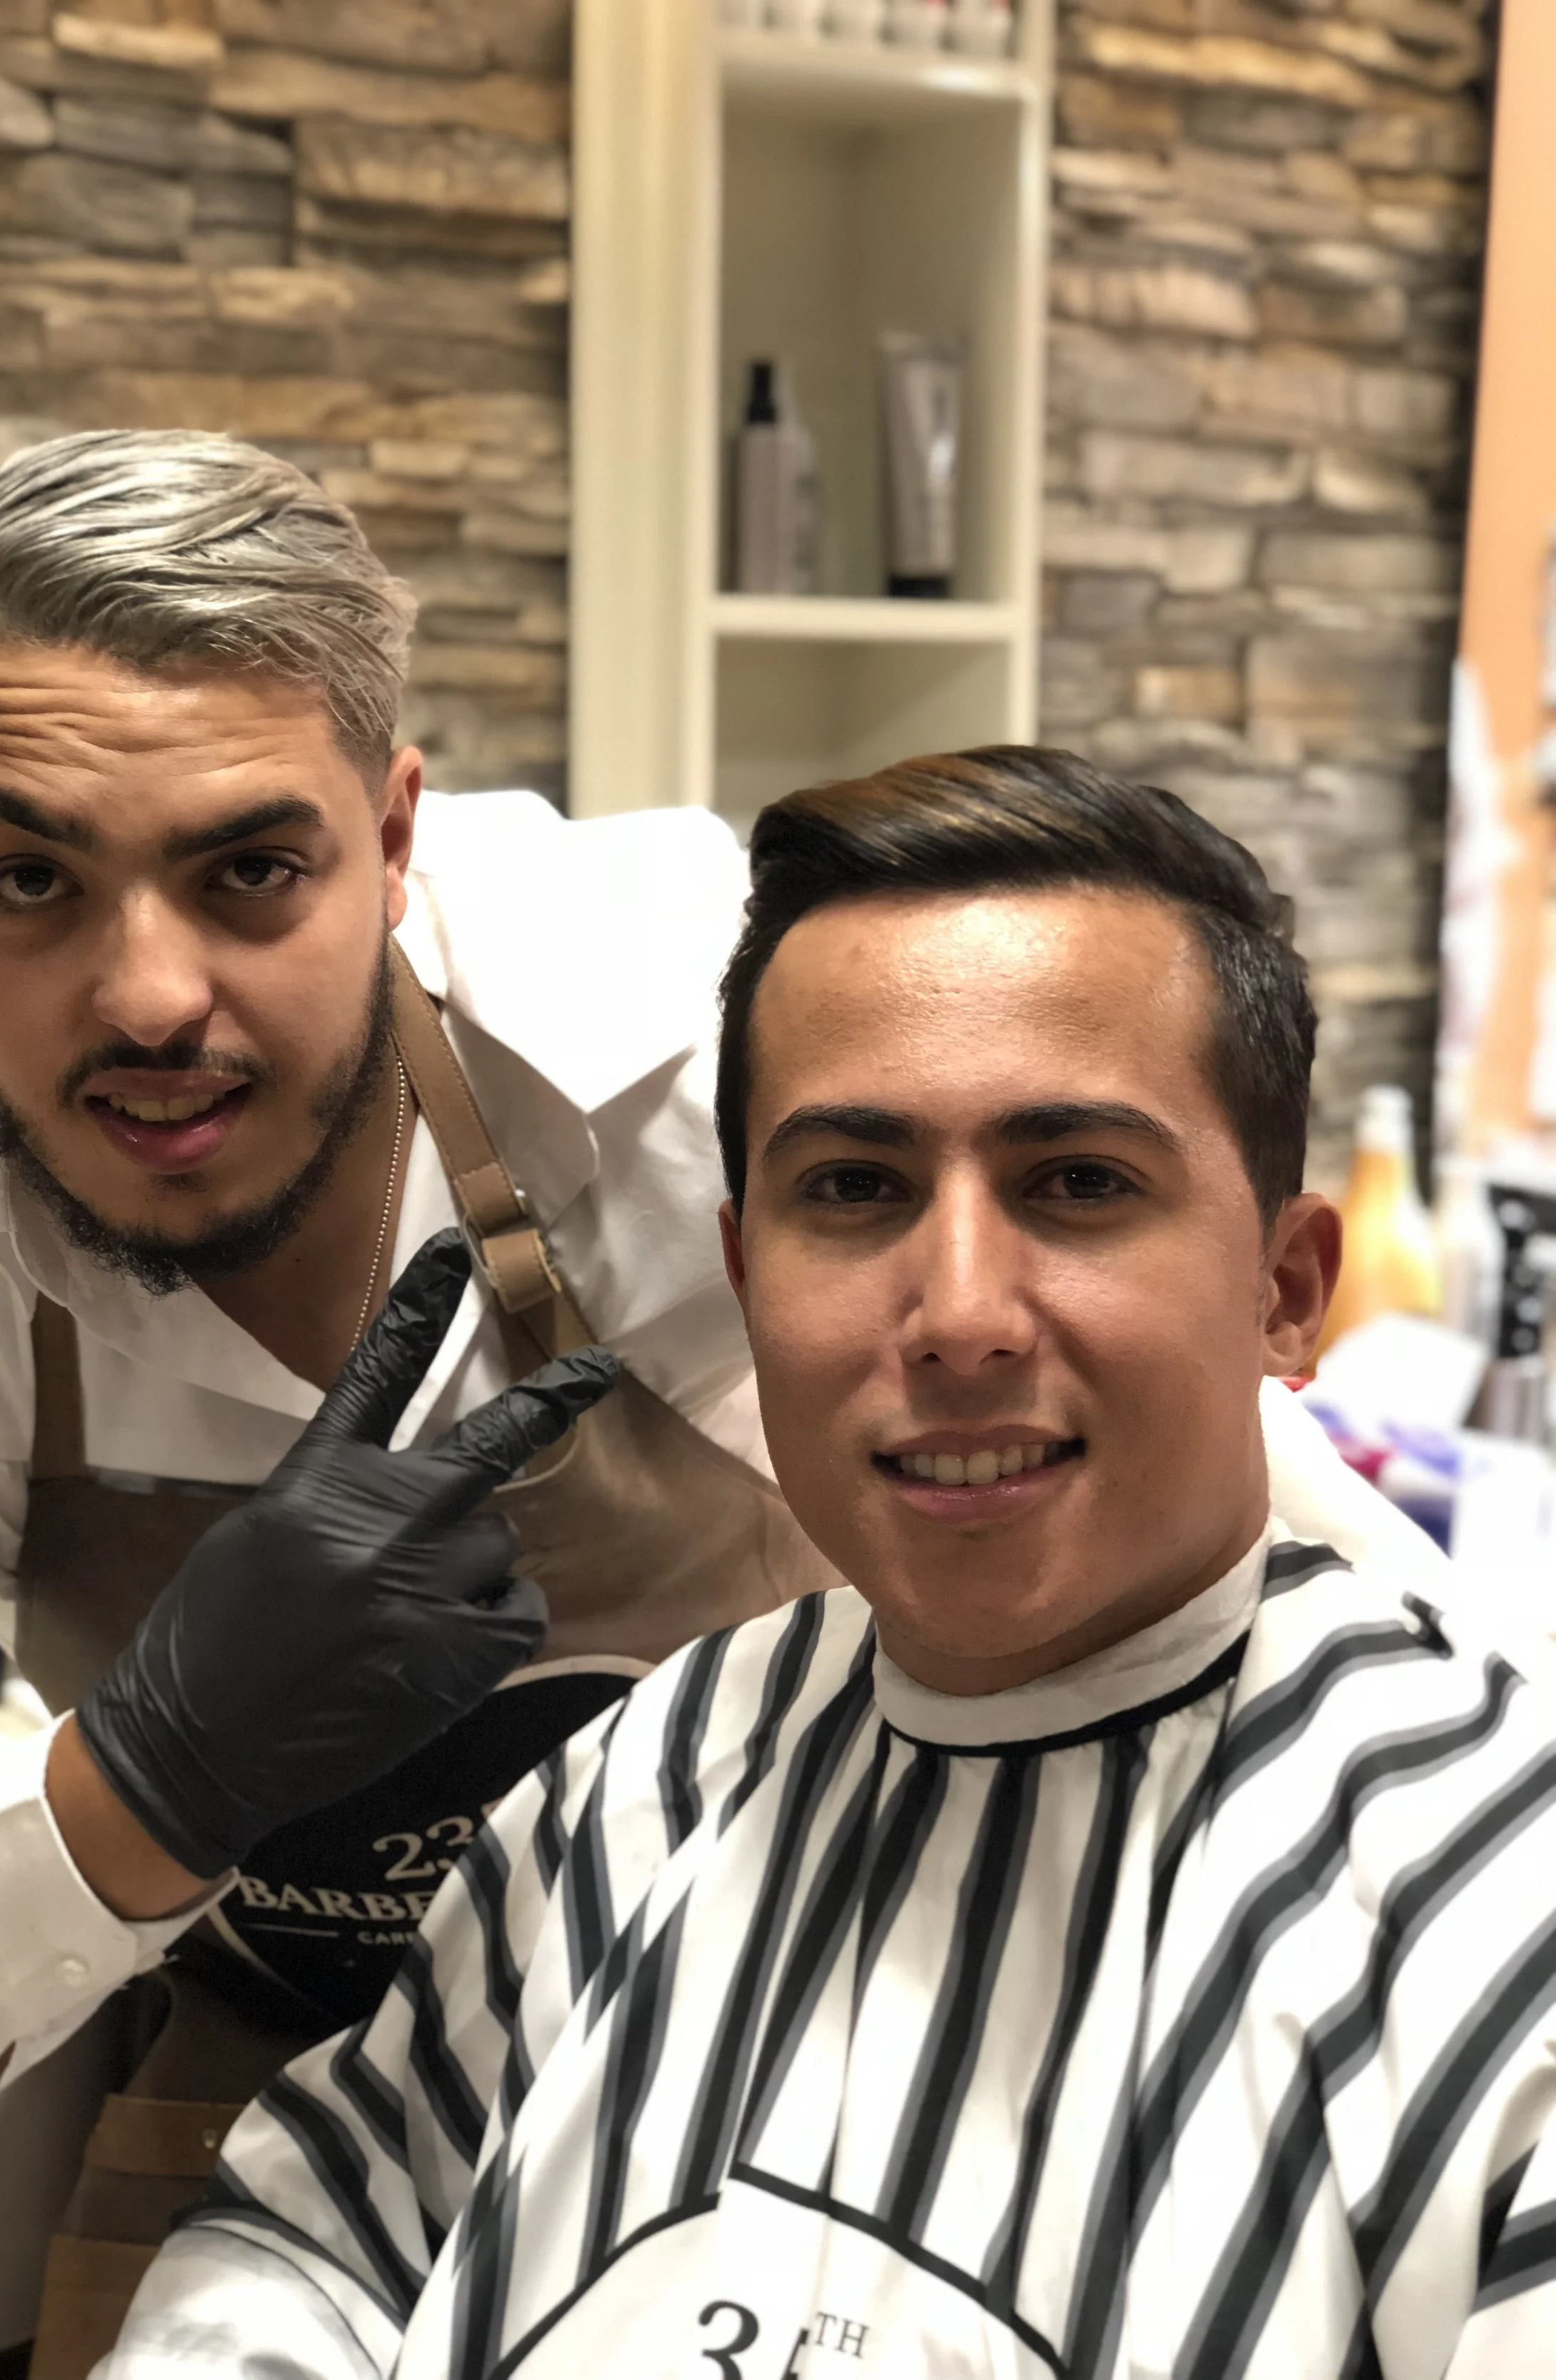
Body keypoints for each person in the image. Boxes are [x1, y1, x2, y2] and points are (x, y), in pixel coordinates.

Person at [104, 748, 1556, 2380]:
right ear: (741, 1268)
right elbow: (317, 2230)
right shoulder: (649, 1772)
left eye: (1075, 1182)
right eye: (851, 1188)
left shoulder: (1491, 1940)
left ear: (1286, 1291)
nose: (954, 1318)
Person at [0, 431, 836, 2356]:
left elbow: (1187, 1503)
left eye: (252, 869)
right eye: (31, 881)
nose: (148, 995)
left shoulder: (704, 1033)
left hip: (825, 2027)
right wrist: (142, 1781)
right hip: (281, 2113)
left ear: (398, 828)